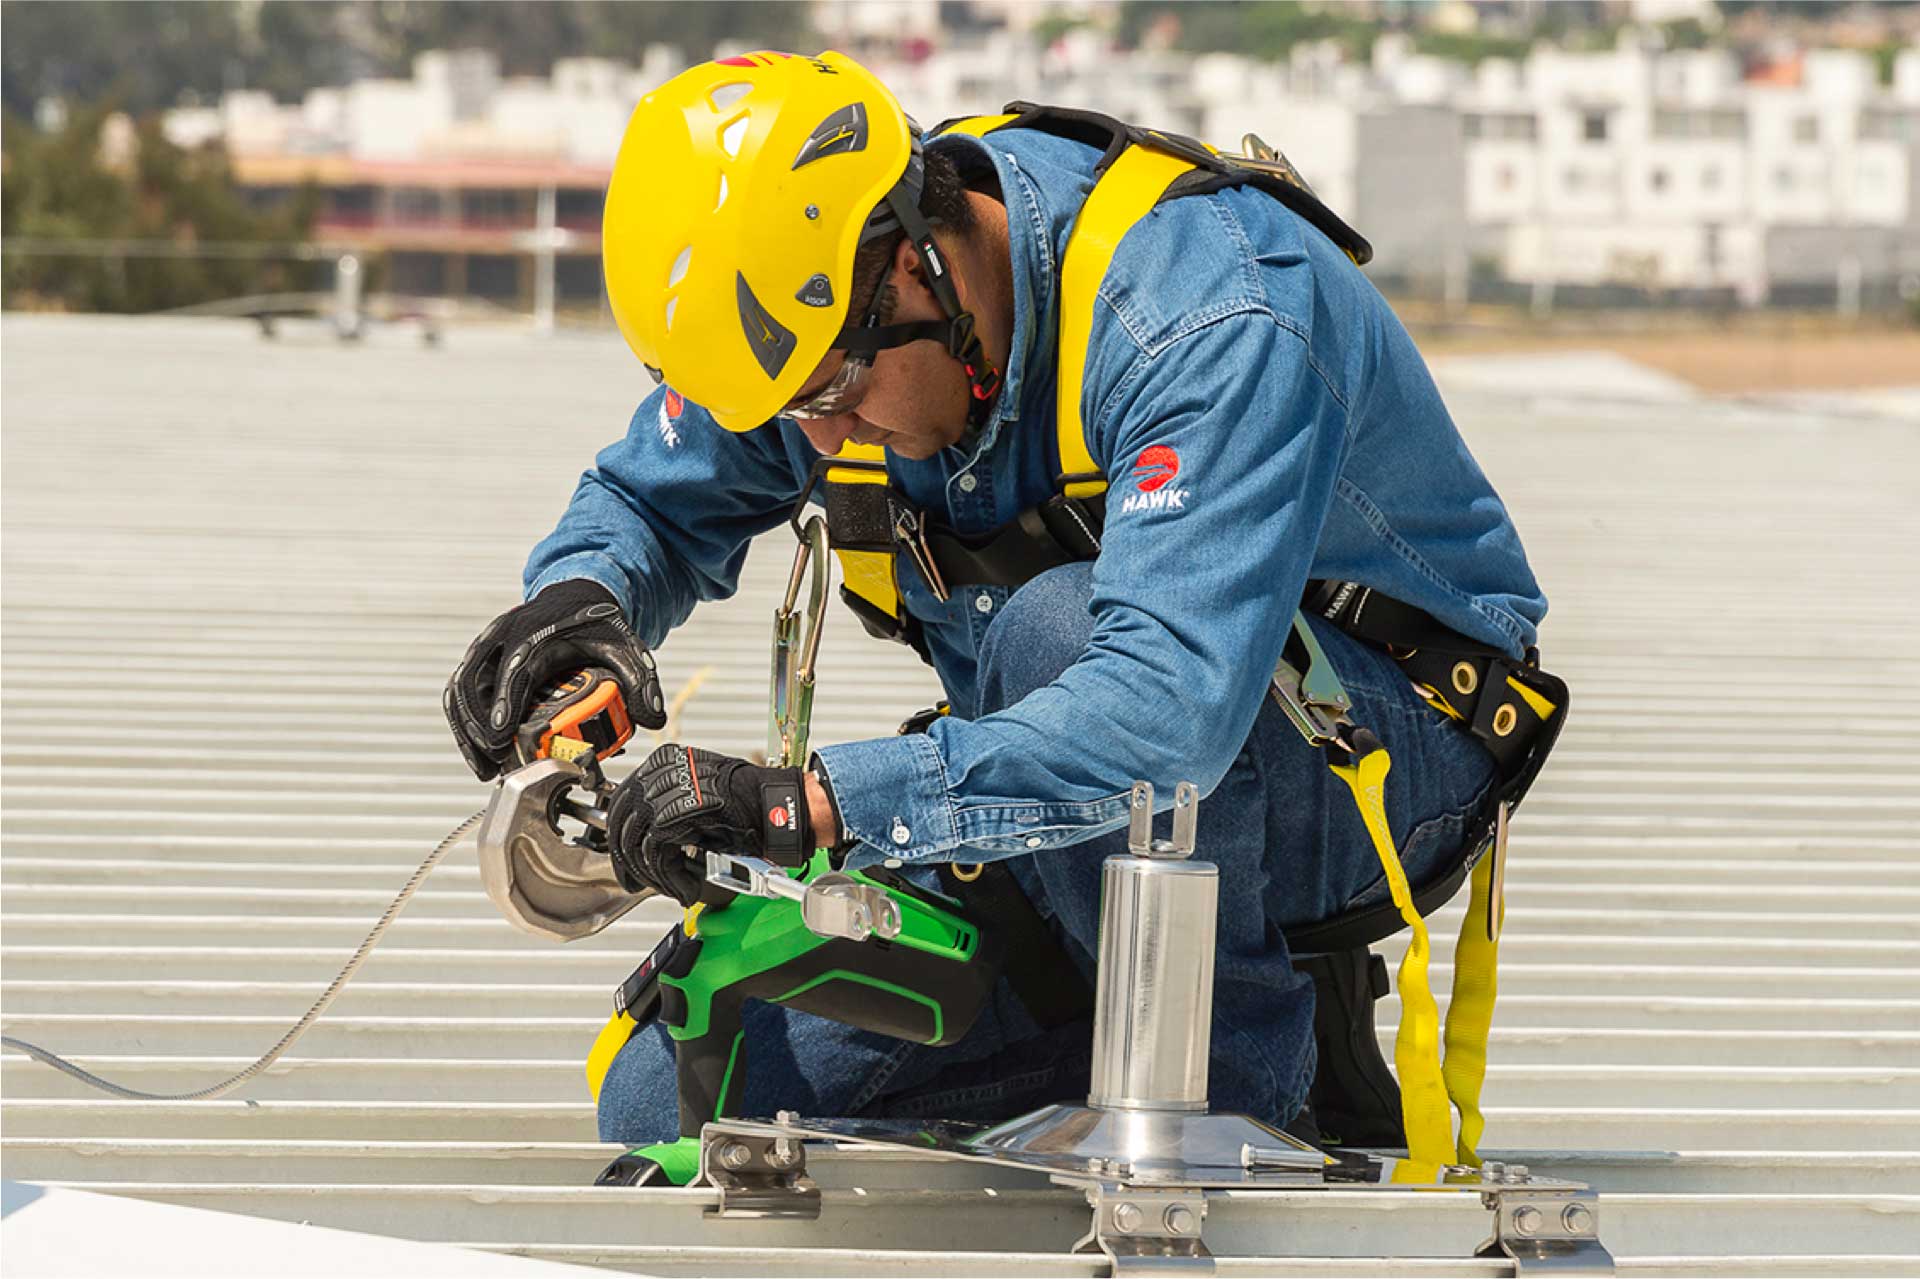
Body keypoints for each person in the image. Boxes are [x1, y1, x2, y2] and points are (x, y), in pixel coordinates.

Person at [444, 50, 1549, 1148]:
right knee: (682, 1090)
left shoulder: (1207, 311)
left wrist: (814, 804)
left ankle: (1236, 1084)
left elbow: (1167, 709)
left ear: (917, 264)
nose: (822, 440)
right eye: (789, 411)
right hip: (1070, 792)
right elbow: (653, 499)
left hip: (1371, 748)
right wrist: (580, 604)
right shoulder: (822, 308)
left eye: (831, 391)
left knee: (1055, 633)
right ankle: (1160, 986)